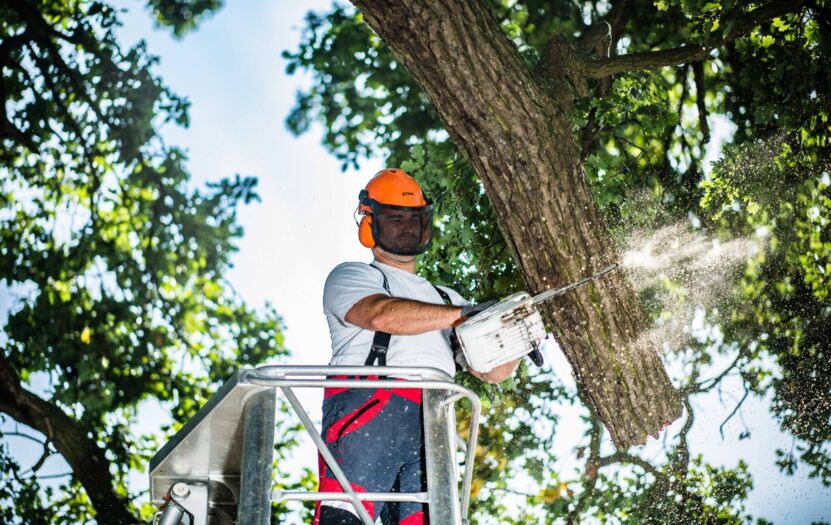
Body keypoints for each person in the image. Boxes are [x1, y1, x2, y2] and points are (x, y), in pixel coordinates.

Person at [315, 169, 519, 525]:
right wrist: (462, 315)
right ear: (370, 224)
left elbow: (492, 371)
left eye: (414, 219)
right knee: (344, 517)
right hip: (370, 406)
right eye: (395, 219)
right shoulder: (354, 276)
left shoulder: (447, 298)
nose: (407, 228)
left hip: (433, 418)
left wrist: (515, 332)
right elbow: (381, 315)